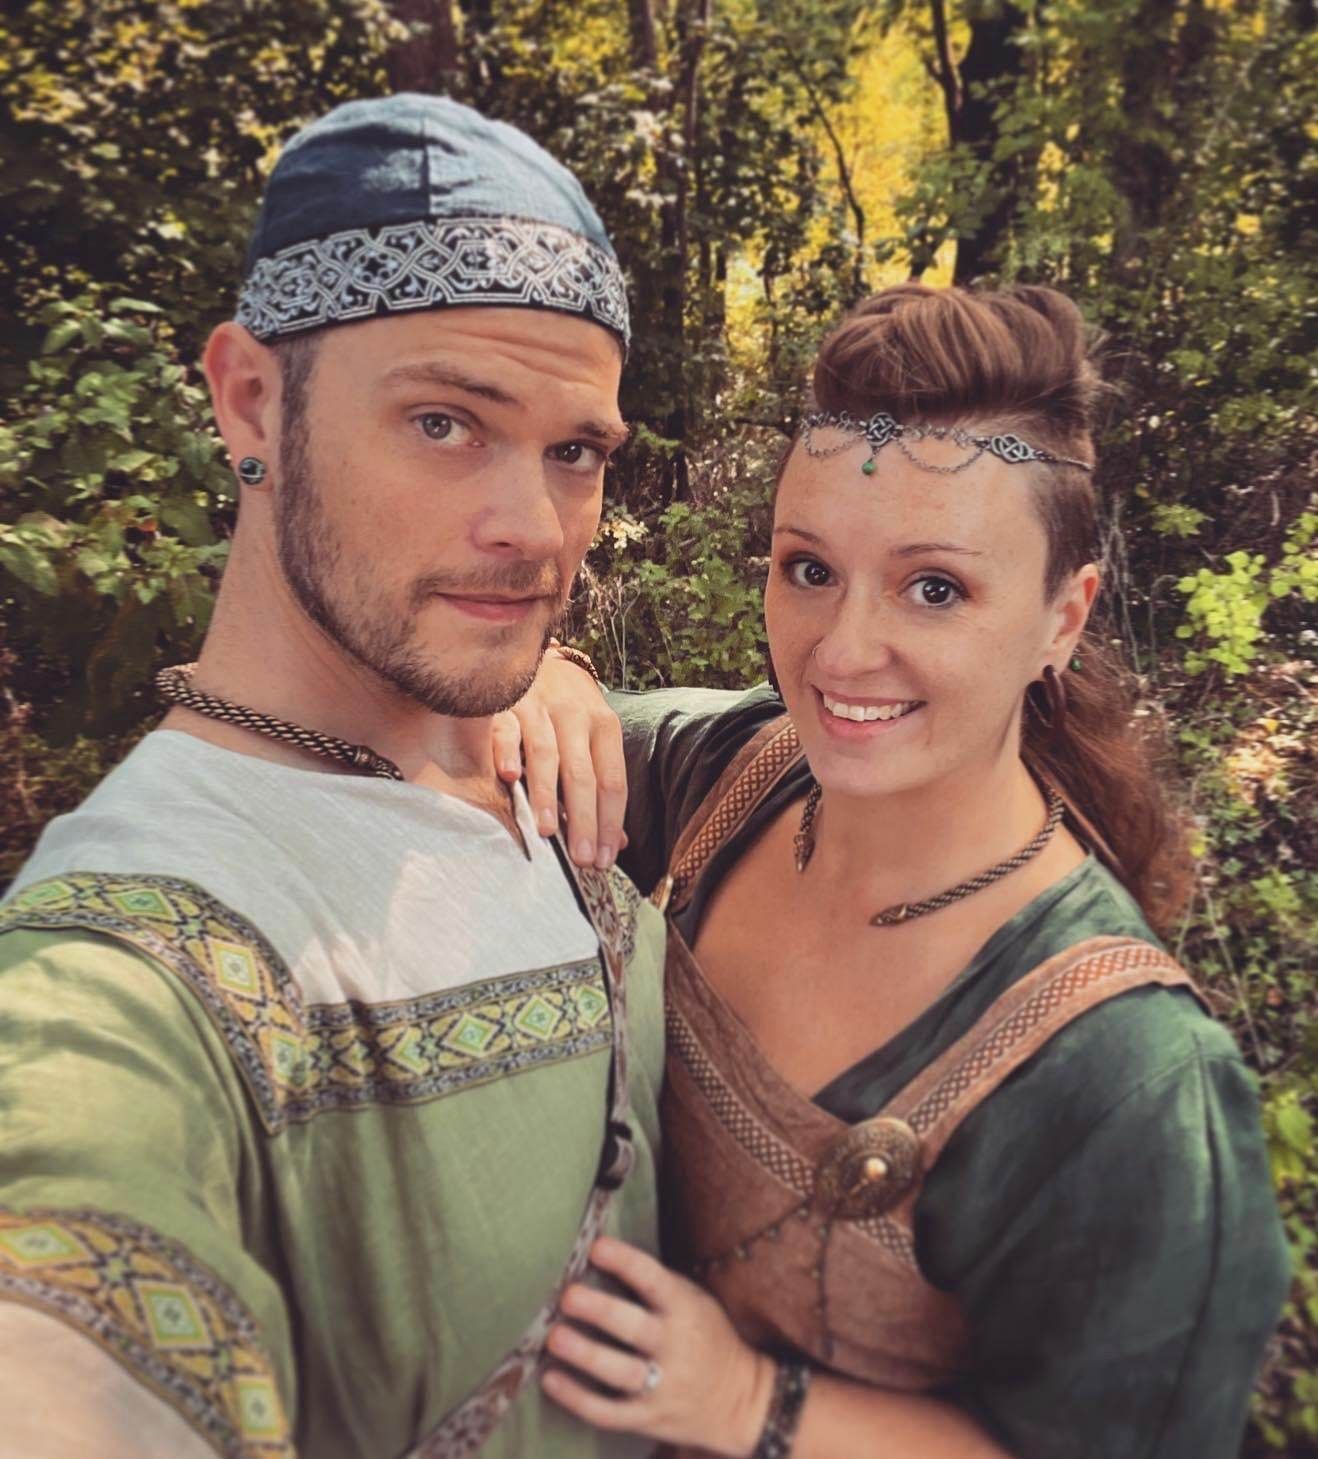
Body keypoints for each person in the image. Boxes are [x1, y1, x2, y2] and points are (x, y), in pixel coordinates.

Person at [506, 284, 1291, 1458]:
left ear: (1062, 617)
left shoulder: (1130, 1084)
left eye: (935, 588)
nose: (840, 650)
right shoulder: (731, 776)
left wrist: (746, 1401)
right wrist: (549, 674)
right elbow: (525, 712)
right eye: (808, 568)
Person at [0, 94, 668, 1459]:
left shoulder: (566, 765)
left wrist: (551, 674)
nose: (533, 529)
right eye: (444, 422)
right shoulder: (131, 947)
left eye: (574, 452)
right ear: (251, 398)